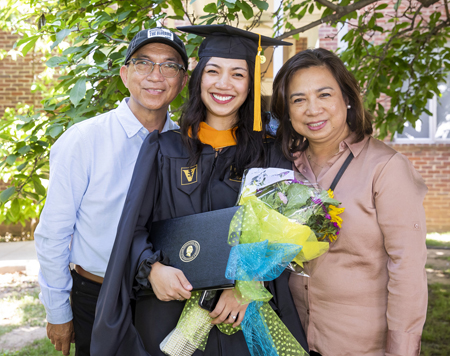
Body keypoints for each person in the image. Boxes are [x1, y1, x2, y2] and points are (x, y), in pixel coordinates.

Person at [91, 25, 307, 356]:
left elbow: (279, 238)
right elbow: (133, 230)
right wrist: (152, 269)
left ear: (250, 84)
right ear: (198, 79)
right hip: (168, 312)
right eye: (213, 71)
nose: (224, 84)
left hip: (237, 316)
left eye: (238, 74)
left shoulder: (269, 154)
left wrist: (247, 289)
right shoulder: (164, 148)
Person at [34, 27, 189, 356]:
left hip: (165, 303)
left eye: (169, 66)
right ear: (124, 73)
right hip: (97, 296)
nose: (155, 76)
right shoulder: (84, 140)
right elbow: (53, 233)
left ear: (184, 80)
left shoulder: (188, 147)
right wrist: (59, 312)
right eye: (143, 63)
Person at [271, 48, 428, 356]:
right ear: (287, 111)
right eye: (298, 99)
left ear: (347, 98)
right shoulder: (284, 169)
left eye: (324, 94)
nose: (312, 109)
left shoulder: (385, 168)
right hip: (294, 339)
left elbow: (407, 270)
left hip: (361, 345)